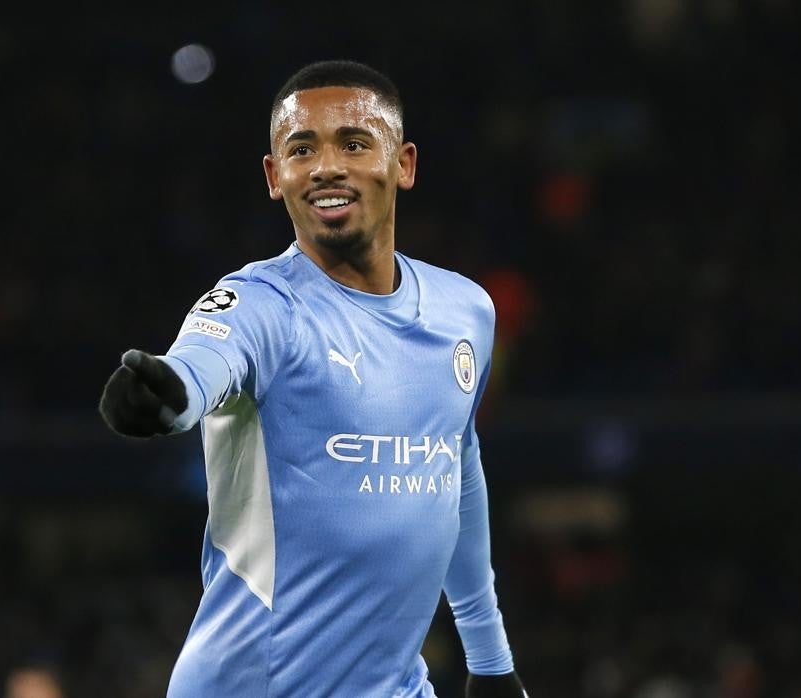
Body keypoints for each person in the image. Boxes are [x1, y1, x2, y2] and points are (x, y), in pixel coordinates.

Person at [99, 59, 528, 697]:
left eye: (354, 143)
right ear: (276, 177)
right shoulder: (259, 304)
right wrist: (167, 396)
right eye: (303, 149)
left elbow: (455, 470)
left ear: (403, 164)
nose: (327, 165)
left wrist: (490, 662)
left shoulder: (466, 310)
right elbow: (201, 366)